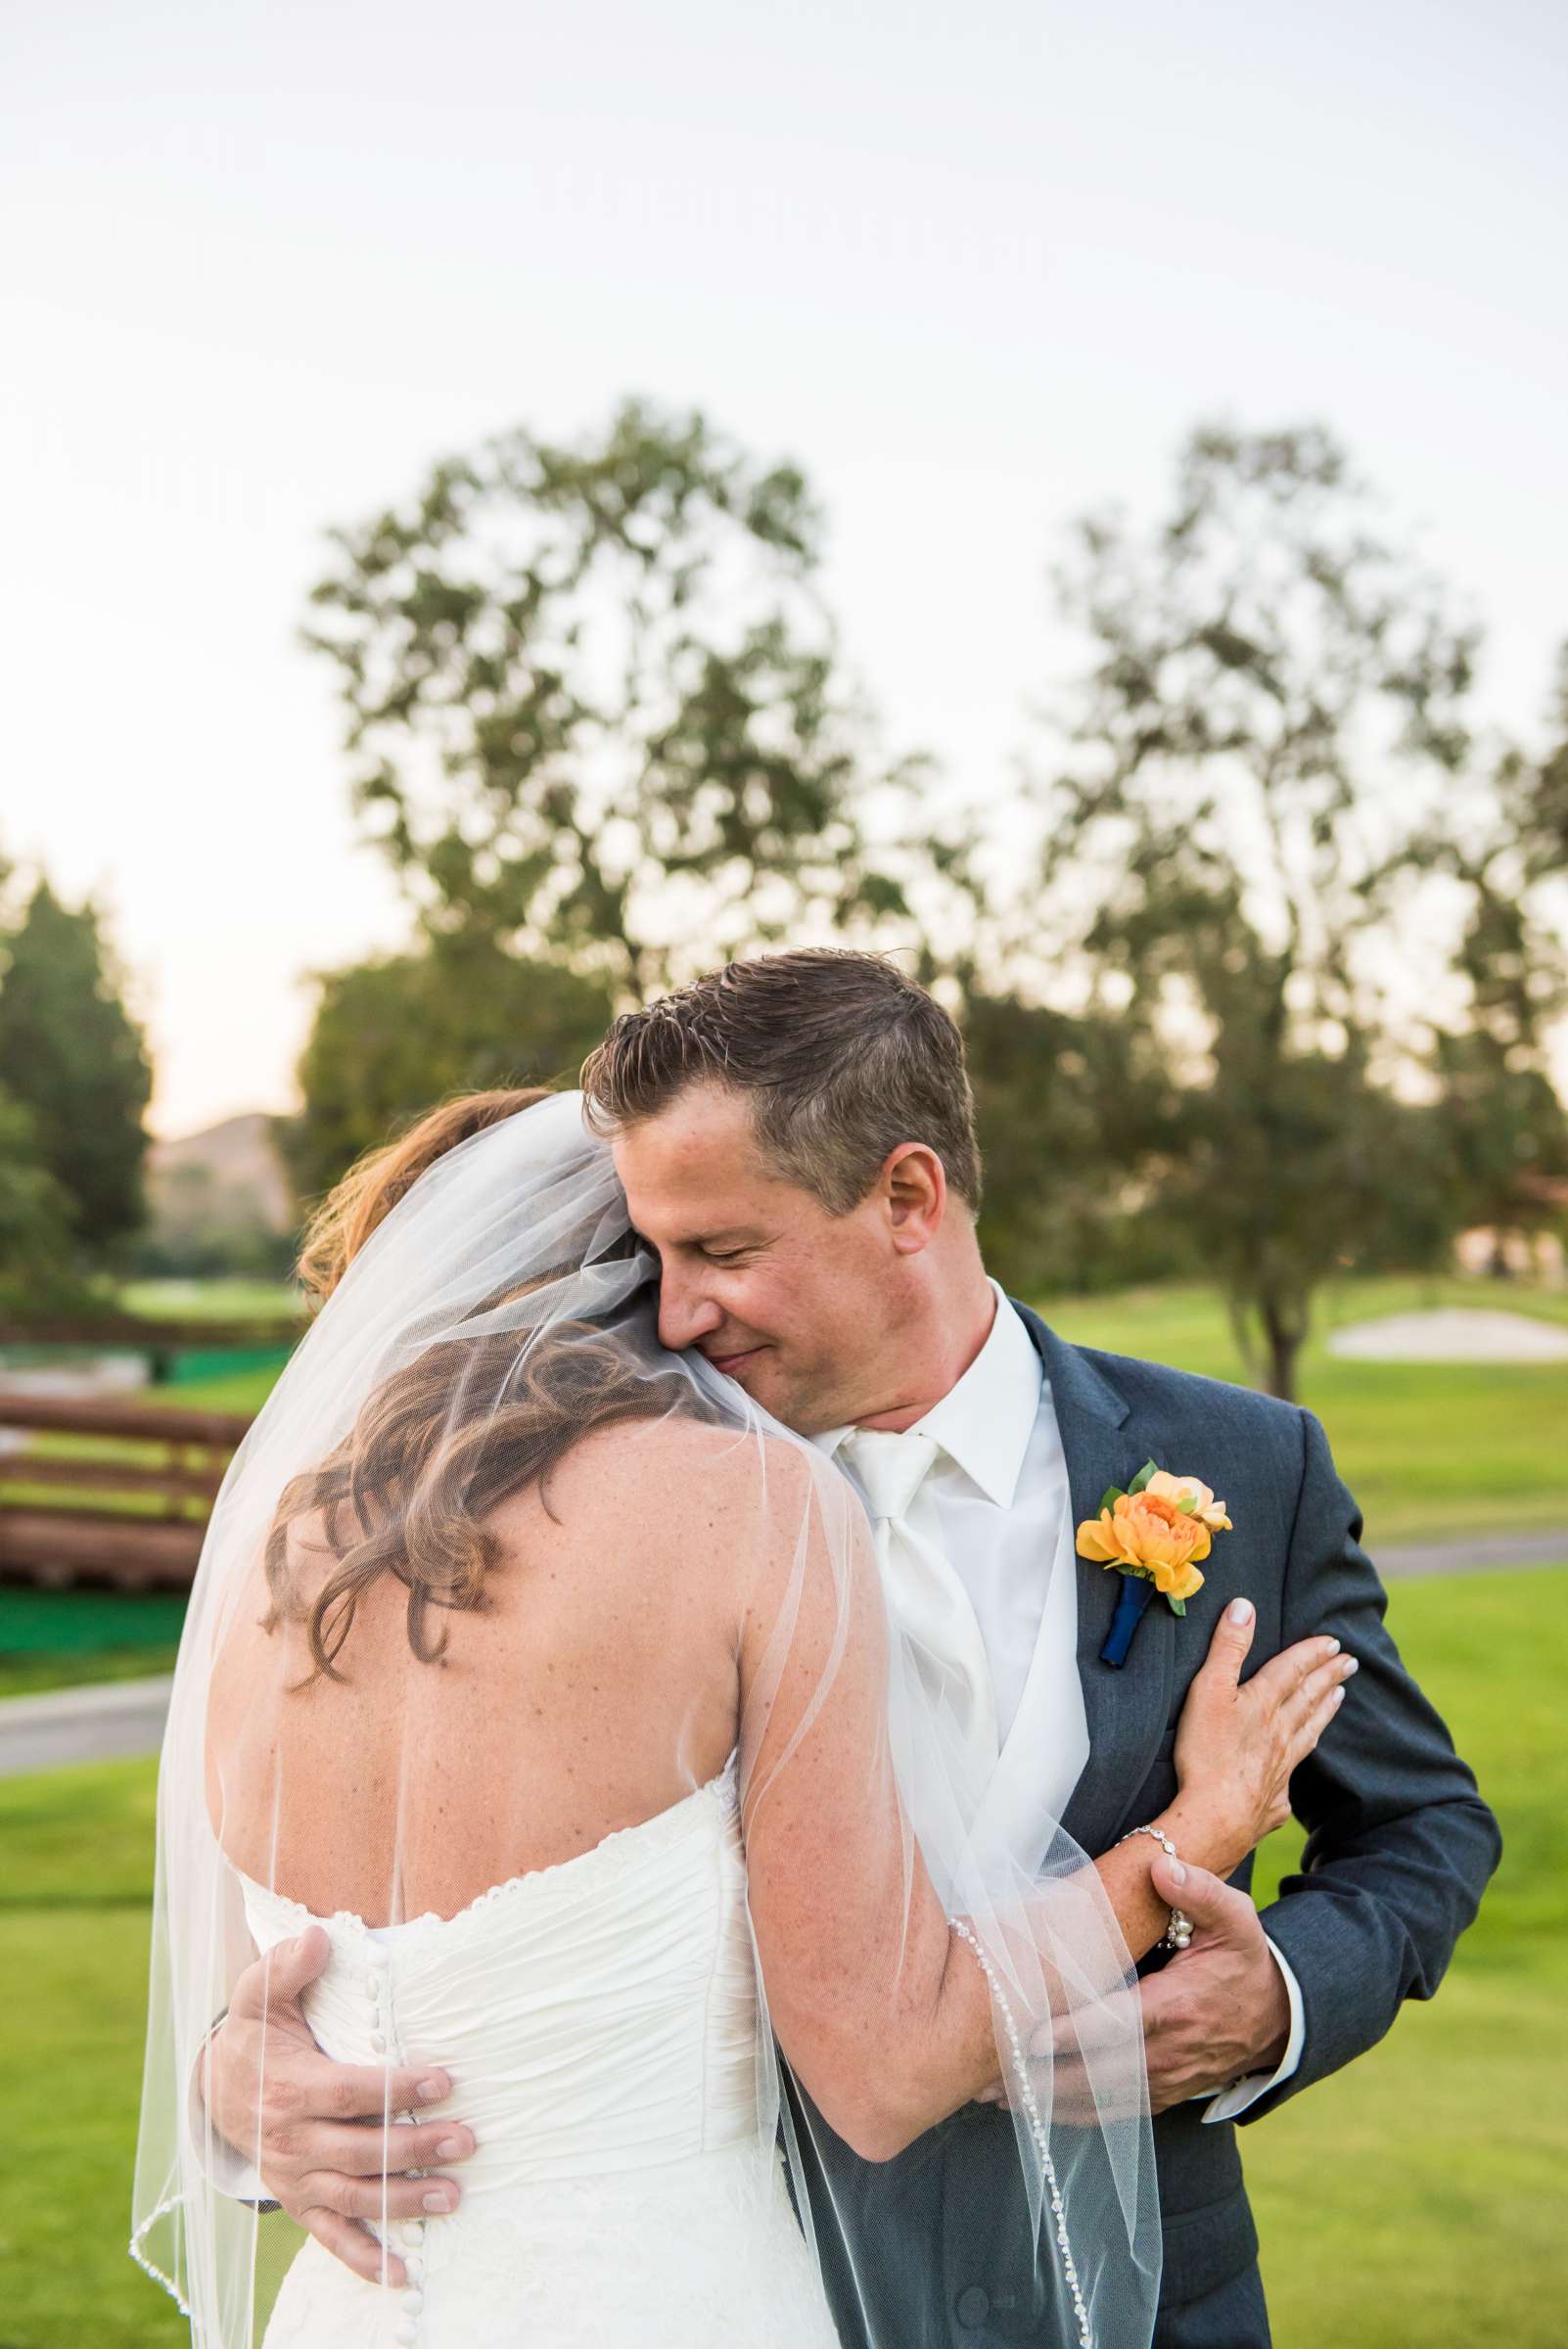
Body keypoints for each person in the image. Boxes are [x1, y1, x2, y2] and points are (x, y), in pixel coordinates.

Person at [161, 947, 1497, 2348]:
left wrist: (1276, 1998)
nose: (674, 1314)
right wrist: (242, 2086)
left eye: (725, 1253)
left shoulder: (1240, 1463)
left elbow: (1421, 1830)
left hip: (1143, 2301)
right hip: (752, 2289)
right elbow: (408, 1900)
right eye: (654, 1259)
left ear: (907, 1197)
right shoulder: (631, 1521)